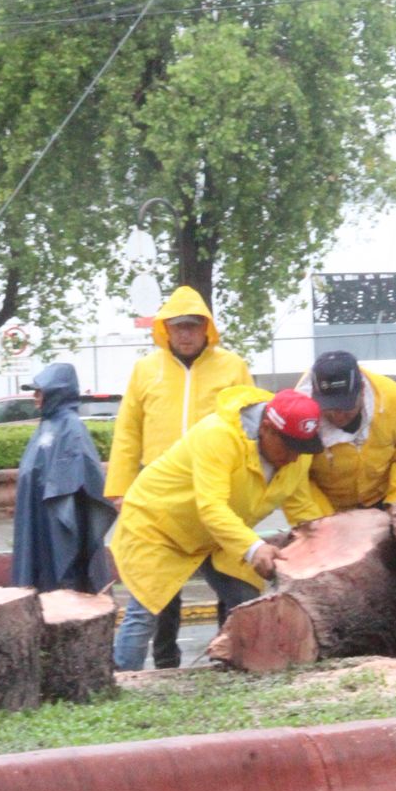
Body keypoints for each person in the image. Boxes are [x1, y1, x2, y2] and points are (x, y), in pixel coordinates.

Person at [108, 387, 332, 672]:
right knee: (145, 612)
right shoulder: (217, 435)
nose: (293, 457)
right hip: (160, 524)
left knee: (247, 601)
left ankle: (241, 673)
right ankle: (124, 680)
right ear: (266, 428)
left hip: (220, 536)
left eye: (300, 449)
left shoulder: (298, 455)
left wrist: (318, 545)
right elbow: (211, 507)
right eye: (287, 447)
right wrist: (254, 548)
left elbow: (301, 508)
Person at [105, 285, 252, 668]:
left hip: (218, 491)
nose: (185, 333)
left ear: (207, 328)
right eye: (177, 326)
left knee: (232, 579)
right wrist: (120, 488)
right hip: (163, 498)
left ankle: (230, 655)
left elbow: (251, 427)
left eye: (193, 325)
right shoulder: (145, 370)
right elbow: (128, 431)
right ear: (164, 330)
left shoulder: (232, 367)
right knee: (158, 586)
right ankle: (165, 661)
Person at [10, 362, 117, 593]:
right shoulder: (47, 425)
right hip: (38, 522)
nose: (35, 397)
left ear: (57, 391)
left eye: (40, 391)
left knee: (61, 591)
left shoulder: (71, 429)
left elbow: (76, 482)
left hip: (56, 531)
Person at [298, 350, 396, 510]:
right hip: (331, 504)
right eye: (329, 408)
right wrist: (326, 520)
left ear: (361, 390)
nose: (338, 416)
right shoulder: (299, 418)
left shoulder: (392, 399)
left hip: (384, 491)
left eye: (346, 407)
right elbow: (297, 478)